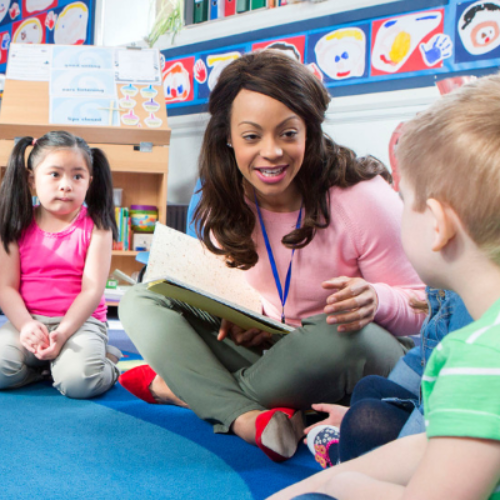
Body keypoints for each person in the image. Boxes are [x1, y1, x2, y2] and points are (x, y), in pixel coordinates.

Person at [118, 50, 424, 462]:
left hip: (354, 350)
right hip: (275, 350)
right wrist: (245, 317)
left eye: (288, 133)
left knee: (337, 333)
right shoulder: (222, 197)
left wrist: (377, 298)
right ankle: (247, 416)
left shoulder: (363, 197)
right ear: (228, 136)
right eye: (251, 136)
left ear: (309, 132)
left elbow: (424, 306)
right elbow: (243, 293)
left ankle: (187, 389)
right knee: (142, 298)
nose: (272, 152)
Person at [269, 73, 500, 499]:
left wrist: (345, 483)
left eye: (403, 199)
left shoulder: (482, 357)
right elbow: (432, 445)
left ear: (437, 224)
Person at [0, 131, 121, 399]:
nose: (66, 185)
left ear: (90, 180)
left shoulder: (98, 227)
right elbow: (6, 287)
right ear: (32, 180)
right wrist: (27, 326)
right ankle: (47, 369)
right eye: (54, 174)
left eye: (77, 176)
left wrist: (63, 333)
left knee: (79, 383)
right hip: (28, 321)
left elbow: (92, 291)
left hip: (79, 323)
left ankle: (109, 361)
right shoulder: (14, 224)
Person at [305, 288, 472, 468]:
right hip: (441, 411)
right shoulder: (453, 293)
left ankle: (344, 467)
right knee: (369, 387)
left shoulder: (469, 311)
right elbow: (425, 356)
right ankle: (350, 457)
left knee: (363, 420)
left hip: (457, 442)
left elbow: (438, 406)